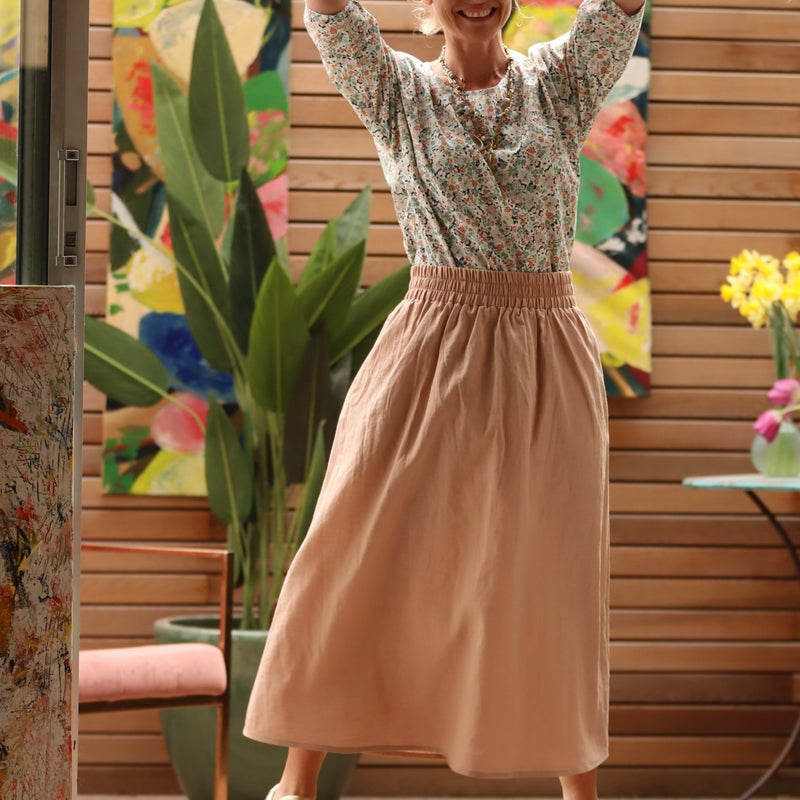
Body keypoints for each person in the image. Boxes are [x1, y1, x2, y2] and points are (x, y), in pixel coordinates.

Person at [244, 0, 645, 797]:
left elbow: (619, 10)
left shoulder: (561, 81)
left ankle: (580, 793)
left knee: (552, 570)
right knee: (351, 550)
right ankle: (296, 782)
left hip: (545, 350)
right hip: (430, 344)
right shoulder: (395, 92)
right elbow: (331, 16)